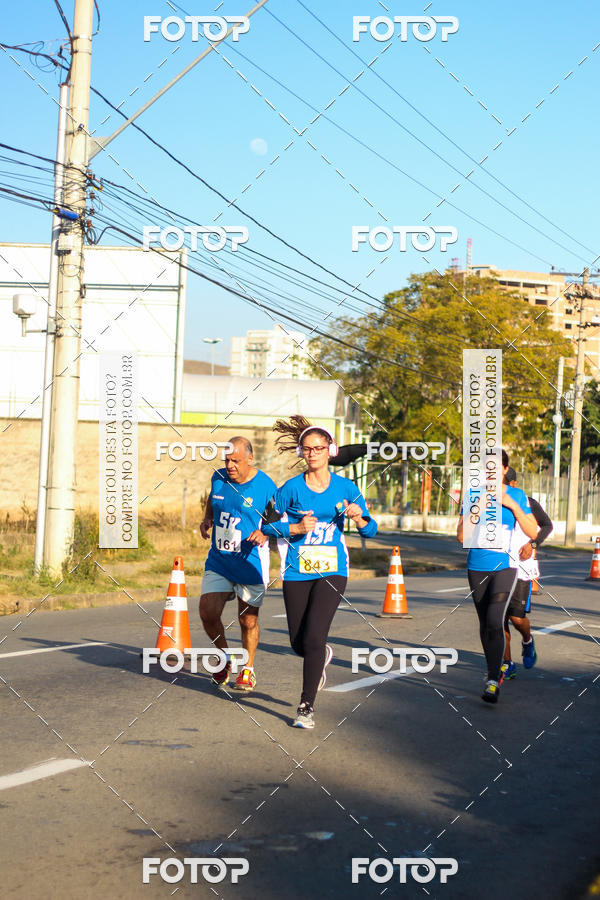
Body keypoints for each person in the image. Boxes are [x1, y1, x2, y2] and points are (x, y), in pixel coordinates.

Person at [260, 416, 378, 729]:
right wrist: (294, 527)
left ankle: (306, 706)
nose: (313, 453)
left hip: (332, 569)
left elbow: (371, 529)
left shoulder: (346, 487)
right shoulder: (291, 489)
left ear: (330, 451)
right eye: (308, 449)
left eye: (319, 448)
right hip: (297, 570)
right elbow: (267, 524)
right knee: (299, 644)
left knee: (313, 636)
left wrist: (359, 519)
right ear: (302, 453)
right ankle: (320, 653)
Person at [456, 450, 538, 704]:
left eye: (495, 468)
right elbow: (461, 536)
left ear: (504, 470)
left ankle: (494, 679)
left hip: (506, 566)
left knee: (495, 619)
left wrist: (512, 506)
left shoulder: (517, 495)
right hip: (477, 566)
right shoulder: (472, 494)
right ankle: (493, 671)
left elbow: (533, 530)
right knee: (485, 623)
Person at [199, 437, 276, 692]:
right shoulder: (218, 478)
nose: (230, 466)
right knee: (208, 612)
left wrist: (266, 533)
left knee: (248, 621)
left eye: (236, 461)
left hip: (250, 560)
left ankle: (248, 670)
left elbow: (278, 517)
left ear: (249, 459)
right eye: (227, 460)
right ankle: (224, 659)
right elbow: (213, 499)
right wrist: (208, 518)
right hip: (220, 559)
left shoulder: (264, 485)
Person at [500, 467, 553, 680]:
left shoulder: (528, 502)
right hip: (498, 565)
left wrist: (533, 543)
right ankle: (507, 663)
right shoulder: (493, 503)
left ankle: (527, 641)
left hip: (521, 568)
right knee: (499, 618)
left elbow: (547, 525)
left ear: (512, 484)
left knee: (516, 617)